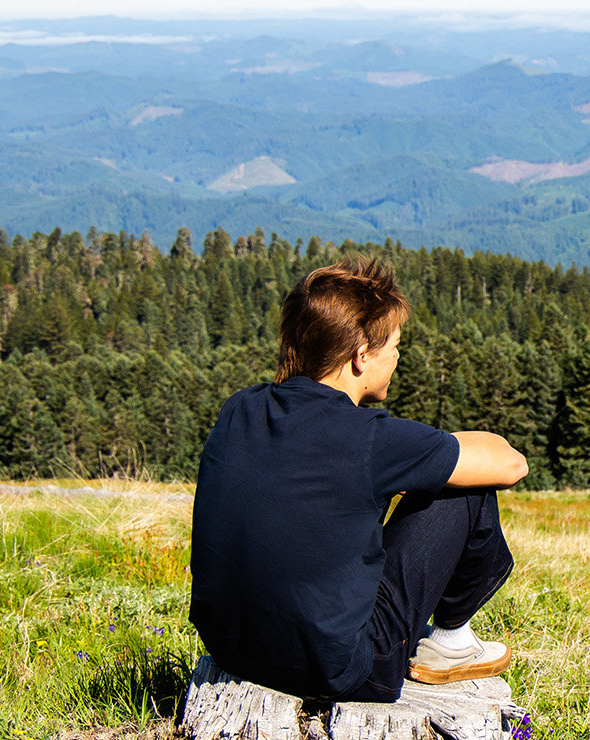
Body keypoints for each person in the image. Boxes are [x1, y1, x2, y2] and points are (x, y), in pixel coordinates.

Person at [190, 255, 529, 703]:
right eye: (394, 347)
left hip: (232, 650)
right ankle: (450, 642)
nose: (397, 357)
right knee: (466, 489)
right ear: (360, 356)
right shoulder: (370, 438)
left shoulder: (240, 409)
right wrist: (425, 458)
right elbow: (511, 465)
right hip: (344, 671)